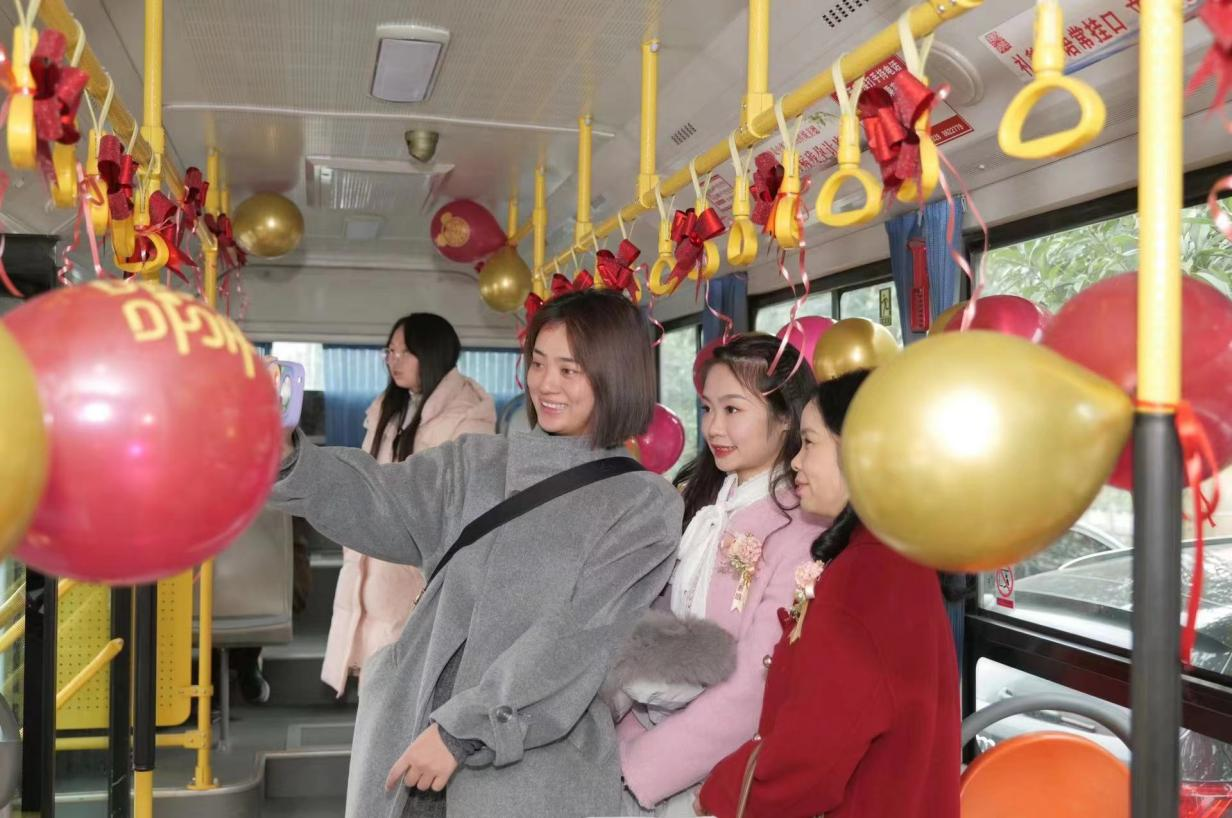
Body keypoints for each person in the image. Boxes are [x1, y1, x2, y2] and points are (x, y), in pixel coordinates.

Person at [268, 289, 682, 818]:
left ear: (616, 376)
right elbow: (379, 499)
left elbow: (580, 638)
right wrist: (290, 458)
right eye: (538, 363)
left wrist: (464, 731)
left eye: (569, 370)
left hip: (526, 770)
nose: (546, 384)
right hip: (412, 737)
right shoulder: (478, 462)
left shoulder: (643, 503)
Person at [696, 370, 962, 818]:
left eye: (809, 443)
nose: (796, 463)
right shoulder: (898, 558)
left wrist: (719, 793)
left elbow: (809, 759)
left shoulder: (866, 578)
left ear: (860, 452)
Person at [614, 335, 825, 816]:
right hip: (646, 733)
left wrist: (639, 765)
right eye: (708, 409)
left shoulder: (801, 529)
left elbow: (754, 687)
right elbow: (654, 623)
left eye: (733, 410)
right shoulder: (703, 500)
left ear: (786, 417)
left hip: (721, 768)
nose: (713, 427)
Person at [322, 313, 496, 697]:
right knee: (377, 688)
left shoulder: (469, 413)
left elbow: (467, 500)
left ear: (431, 354)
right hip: (375, 560)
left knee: (411, 690)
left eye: (404, 352)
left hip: (419, 567)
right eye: (390, 351)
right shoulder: (390, 407)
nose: (393, 360)